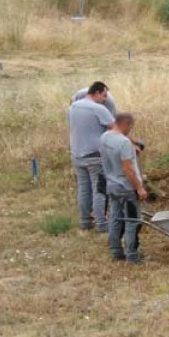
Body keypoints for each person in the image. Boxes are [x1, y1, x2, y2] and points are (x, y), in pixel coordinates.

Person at [100, 113, 147, 264]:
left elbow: (114, 158)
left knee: (115, 219)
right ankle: (132, 255)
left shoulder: (104, 137)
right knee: (132, 221)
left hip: (112, 186)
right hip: (127, 188)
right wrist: (139, 188)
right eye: (130, 127)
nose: (130, 130)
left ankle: (115, 251)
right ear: (125, 124)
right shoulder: (124, 142)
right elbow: (128, 169)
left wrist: (133, 154)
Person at [68, 81, 115, 233]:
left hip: (77, 155)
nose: (105, 99)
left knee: (83, 189)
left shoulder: (72, 107)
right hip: (95, 156)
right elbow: (115, 129)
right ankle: (102, 223)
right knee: (99, 190)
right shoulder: (99, 109)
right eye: (104, 95)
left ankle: (85, 221)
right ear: (97, 92)